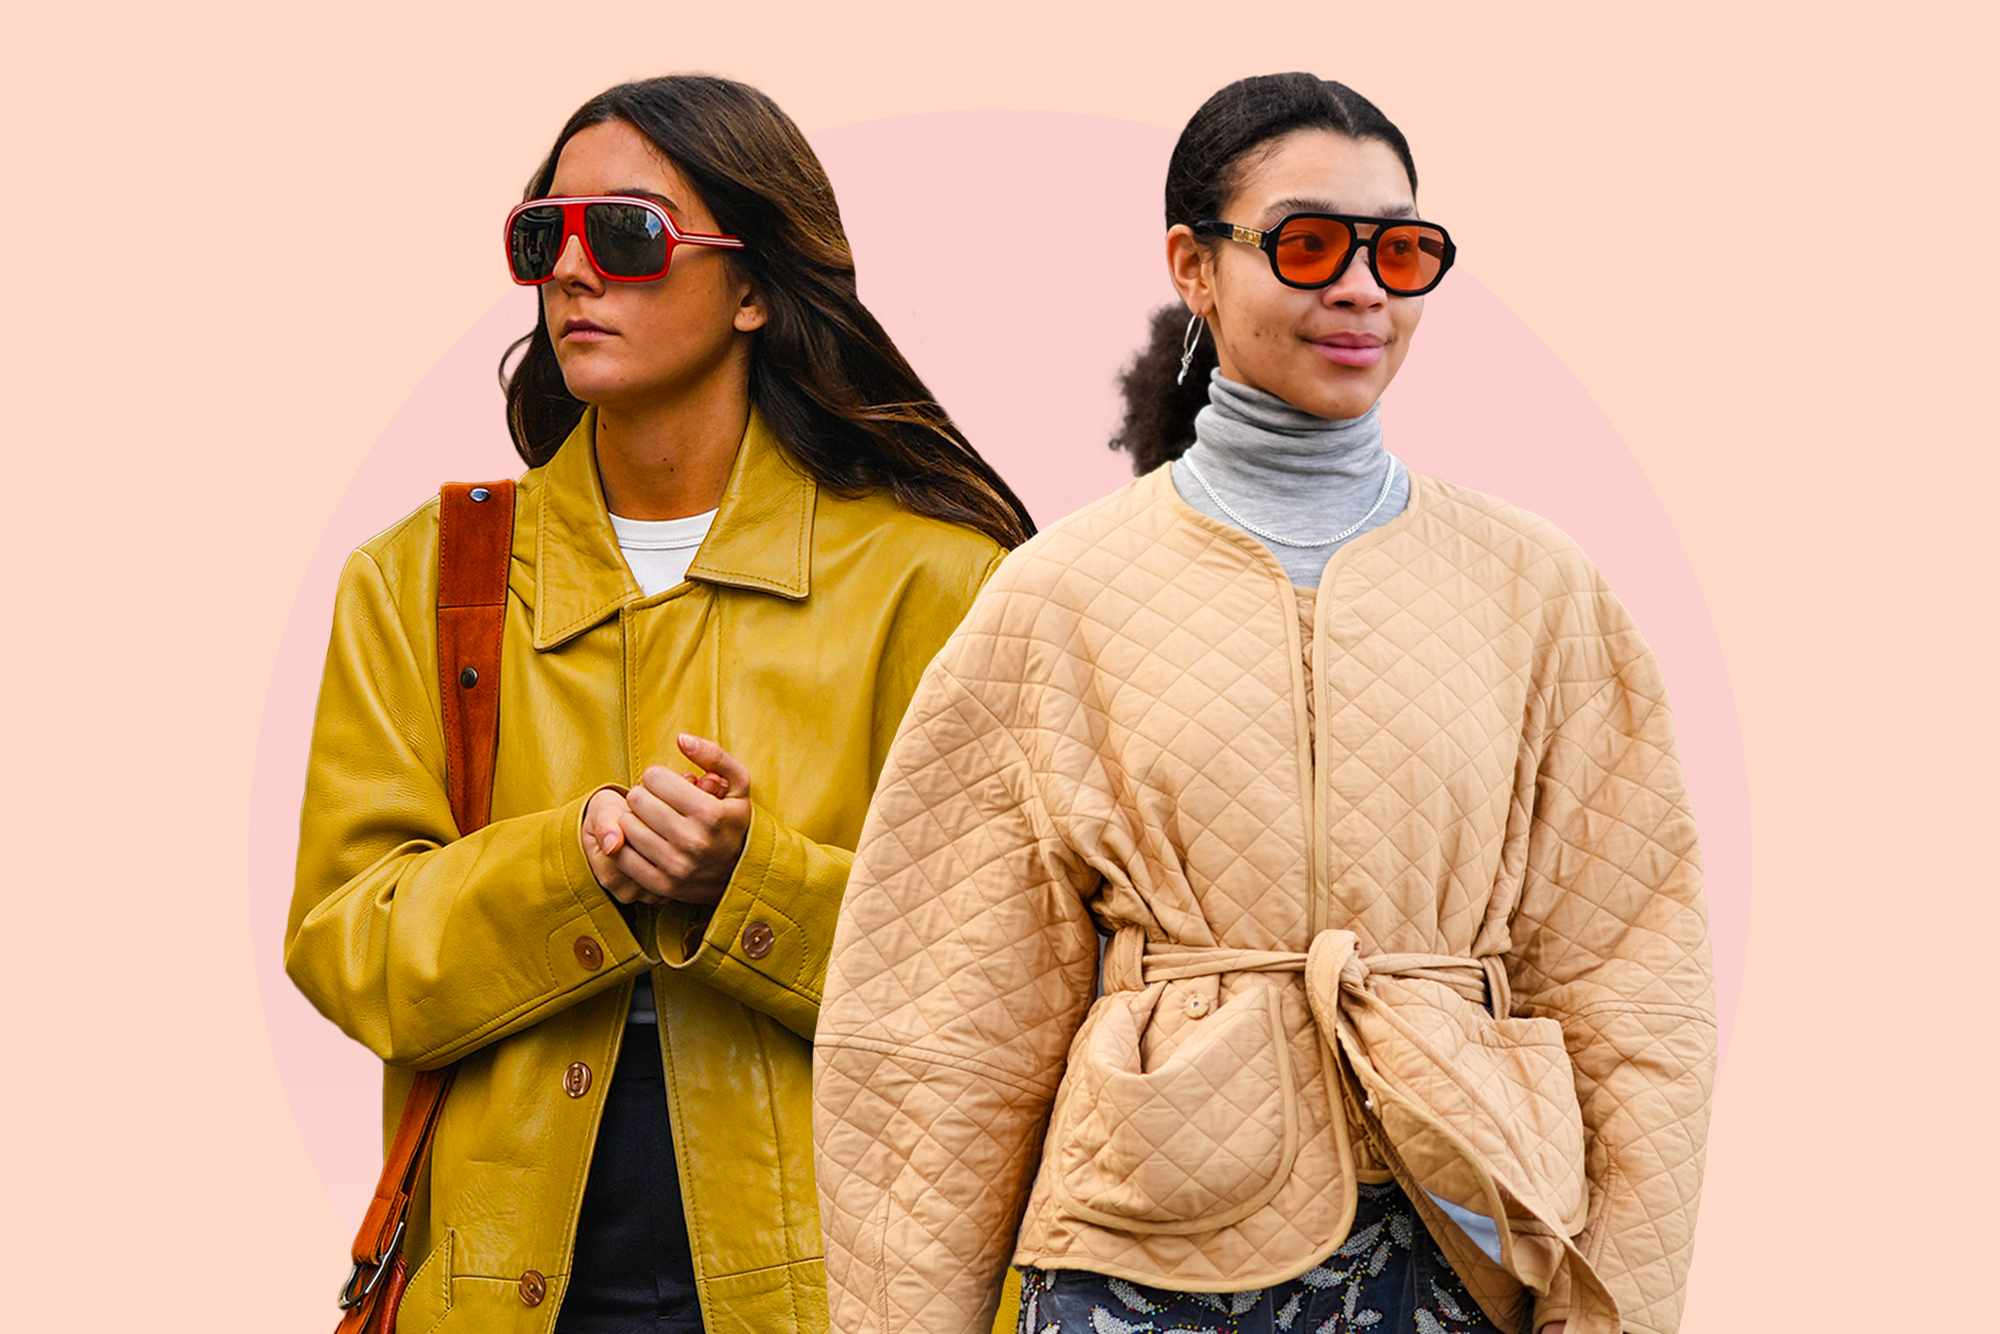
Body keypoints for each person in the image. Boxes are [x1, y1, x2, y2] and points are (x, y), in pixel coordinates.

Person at [813, 73, 1714, 1334]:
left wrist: (1619, 1305)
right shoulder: (1057, 596)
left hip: (1460, 1241)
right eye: (1306, 244)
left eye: (1400, 252)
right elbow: (934, 1029)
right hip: (1141, 1253)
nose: (1361, 289)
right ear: (1193, 265)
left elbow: (1633, 992)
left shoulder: (1540, 592)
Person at [285, 74, 1032, 1334]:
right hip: (497, 1290)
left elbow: (1011, 977)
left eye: (624, 236)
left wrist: (754, 885)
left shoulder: (940, 582)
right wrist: (575, 861)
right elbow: (346, 940)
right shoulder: (422, 580)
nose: (573, 273)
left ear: (751, 286)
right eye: (544, 236)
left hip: (851, 1287)